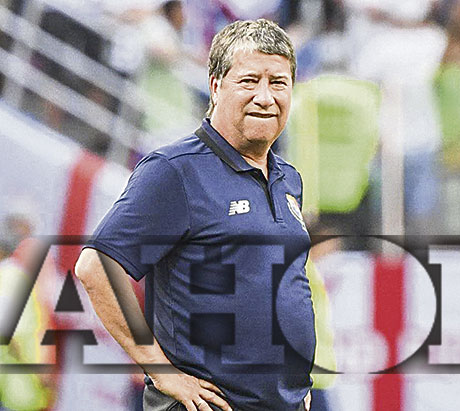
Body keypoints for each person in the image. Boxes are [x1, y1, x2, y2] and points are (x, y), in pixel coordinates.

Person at [74, 19, 314, 411]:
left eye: (278, 82)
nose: (265, 97)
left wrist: (296, 388)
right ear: (216, 86)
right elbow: (96, 267)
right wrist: (162, 372)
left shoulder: (289, 179)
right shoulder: (176, 170)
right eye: (249, 81)